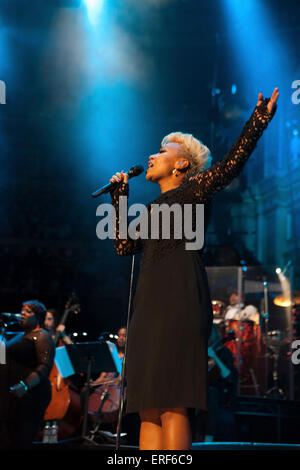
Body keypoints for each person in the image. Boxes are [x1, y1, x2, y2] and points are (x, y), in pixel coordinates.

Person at [109, 89, 279, 450]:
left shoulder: (195, 190)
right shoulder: (153, 208)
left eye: (162, 151)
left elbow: (233, 162)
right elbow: (124, 246)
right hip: (148, 305)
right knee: (147, 406)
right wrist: (119, 198)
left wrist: (258, 119)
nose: (151, 155)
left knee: (172, 400)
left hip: (179, 298)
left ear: (181, 165)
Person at [0, 300, 55, 449]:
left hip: (30, 394)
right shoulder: (19, 336)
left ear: (38, 317)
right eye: (22, 310)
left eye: (28, 311)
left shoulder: (42, 336)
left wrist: (25, 384)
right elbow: (2, 359)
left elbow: (45, 366)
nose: (22, 313)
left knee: (20, 439)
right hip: (10, 395)